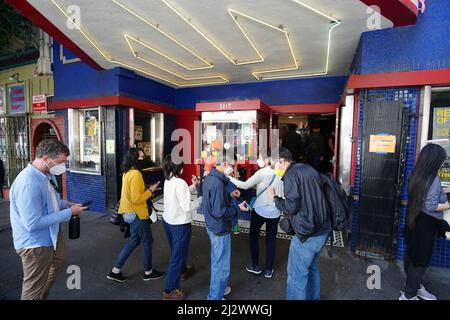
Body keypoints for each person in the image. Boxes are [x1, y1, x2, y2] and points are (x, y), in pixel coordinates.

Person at [9, 139, 87, 300]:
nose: (63, 167)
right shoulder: (29, 183)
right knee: (32, 288)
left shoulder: (45, 175)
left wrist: (66, 204)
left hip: (51, 236)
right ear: (46, 159)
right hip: (35, 244)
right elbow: (32, 223)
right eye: (60, 162)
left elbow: (49, 200)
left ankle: (41, 295)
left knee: (59, 260)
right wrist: (69, 212)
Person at [267, 147, 331, 300]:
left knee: (296, 276)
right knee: (312, 269)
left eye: (273, 164)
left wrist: (275, 198)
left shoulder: (290, 176)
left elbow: (291, 207)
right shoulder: (308, 168)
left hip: (307, 235)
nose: (273, 168)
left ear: (282, 161)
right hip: (323, 229)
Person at [400, 143, 450, 300]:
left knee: (412, 256)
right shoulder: (433, 179)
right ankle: (409, 295)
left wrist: (445, 191)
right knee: (420, 262)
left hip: (413, 220)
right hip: (426, 225)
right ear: (434, 160)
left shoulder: (415, 174)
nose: (443, 163)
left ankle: (415, 287)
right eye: (442, 160)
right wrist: (448, 204)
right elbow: (430, 206)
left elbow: (425, 196)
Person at [107, 148, 164, 283]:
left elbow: (132, 194)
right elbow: (136, 198)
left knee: (134, 240)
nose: (143, 159)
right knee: (147, 241)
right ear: (134, 158)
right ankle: (148, 272)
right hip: (137, 214)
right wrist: (151, 190)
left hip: (128, 213)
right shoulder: (136, 174)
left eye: (143, 156)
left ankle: (115, 271)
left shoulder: (127, 172)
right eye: (140, 157)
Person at [228, 153, 283, 278]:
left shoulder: (262, 172)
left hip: (259, 210)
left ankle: (255, 266)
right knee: (271, 240)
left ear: (268, 159)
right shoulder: (281, 172)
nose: (259, 160)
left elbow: (245, 185)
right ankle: (269, 270)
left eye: (261, 157)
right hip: (275, 211)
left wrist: (229, 177)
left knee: (253, 236)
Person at [201, 157, 248, 300]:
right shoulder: (217, 183)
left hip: (213, 225)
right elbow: (219, 211)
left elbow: (216, 200)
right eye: (231, 165)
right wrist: (237, 208)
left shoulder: (212, 178)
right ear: (223, 164)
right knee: (221, 266)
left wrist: (229, 195)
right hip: (219, 228)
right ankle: (214, 297)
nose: (232, 169)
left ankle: (219, 288)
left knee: (218, 262)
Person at [161, 155, 202, 300]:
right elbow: (187, 206)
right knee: (176, 257)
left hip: (168, 222)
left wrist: (192, 186)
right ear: (178, 167)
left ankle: (183, 270)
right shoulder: (180, 182)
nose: (184, 167)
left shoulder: (169, 179)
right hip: (180, 225)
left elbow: (179, 195)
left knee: (177, 251)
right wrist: (202, 199)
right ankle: (169, 290)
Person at [224, 164, 241, 235]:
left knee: (233, 205)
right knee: (232, 205)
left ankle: (234, 225)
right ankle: (234, 225)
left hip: (231, 188)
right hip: (229, 189)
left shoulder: (232, 177)